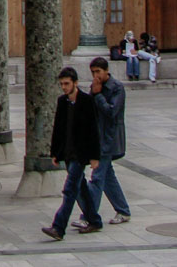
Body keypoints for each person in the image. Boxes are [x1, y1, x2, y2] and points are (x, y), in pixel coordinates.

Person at [41, 66, 102, 241]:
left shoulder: (86, 101)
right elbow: (58, 129)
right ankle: (94, 219)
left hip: (80, 154)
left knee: (69, 190)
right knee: (80, 188)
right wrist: (55, 153)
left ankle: (58, 227)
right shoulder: (62, 102)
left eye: (67, 84)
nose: (64, 87)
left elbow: (93, 130)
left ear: (75, 83)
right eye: (62, 84)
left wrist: (94, 156)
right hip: (68, 152)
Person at [78, 56, 131, 227]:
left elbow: (112, 112)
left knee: (98, 176)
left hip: (110, 139)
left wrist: (99, 94)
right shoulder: (95, 88)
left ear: (106, 71)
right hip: (98, 138)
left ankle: (89, 215)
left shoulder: (117, 88)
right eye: (93, 72)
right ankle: (123, 210)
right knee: (108, 177)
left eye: (98, 72)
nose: (96, 76)